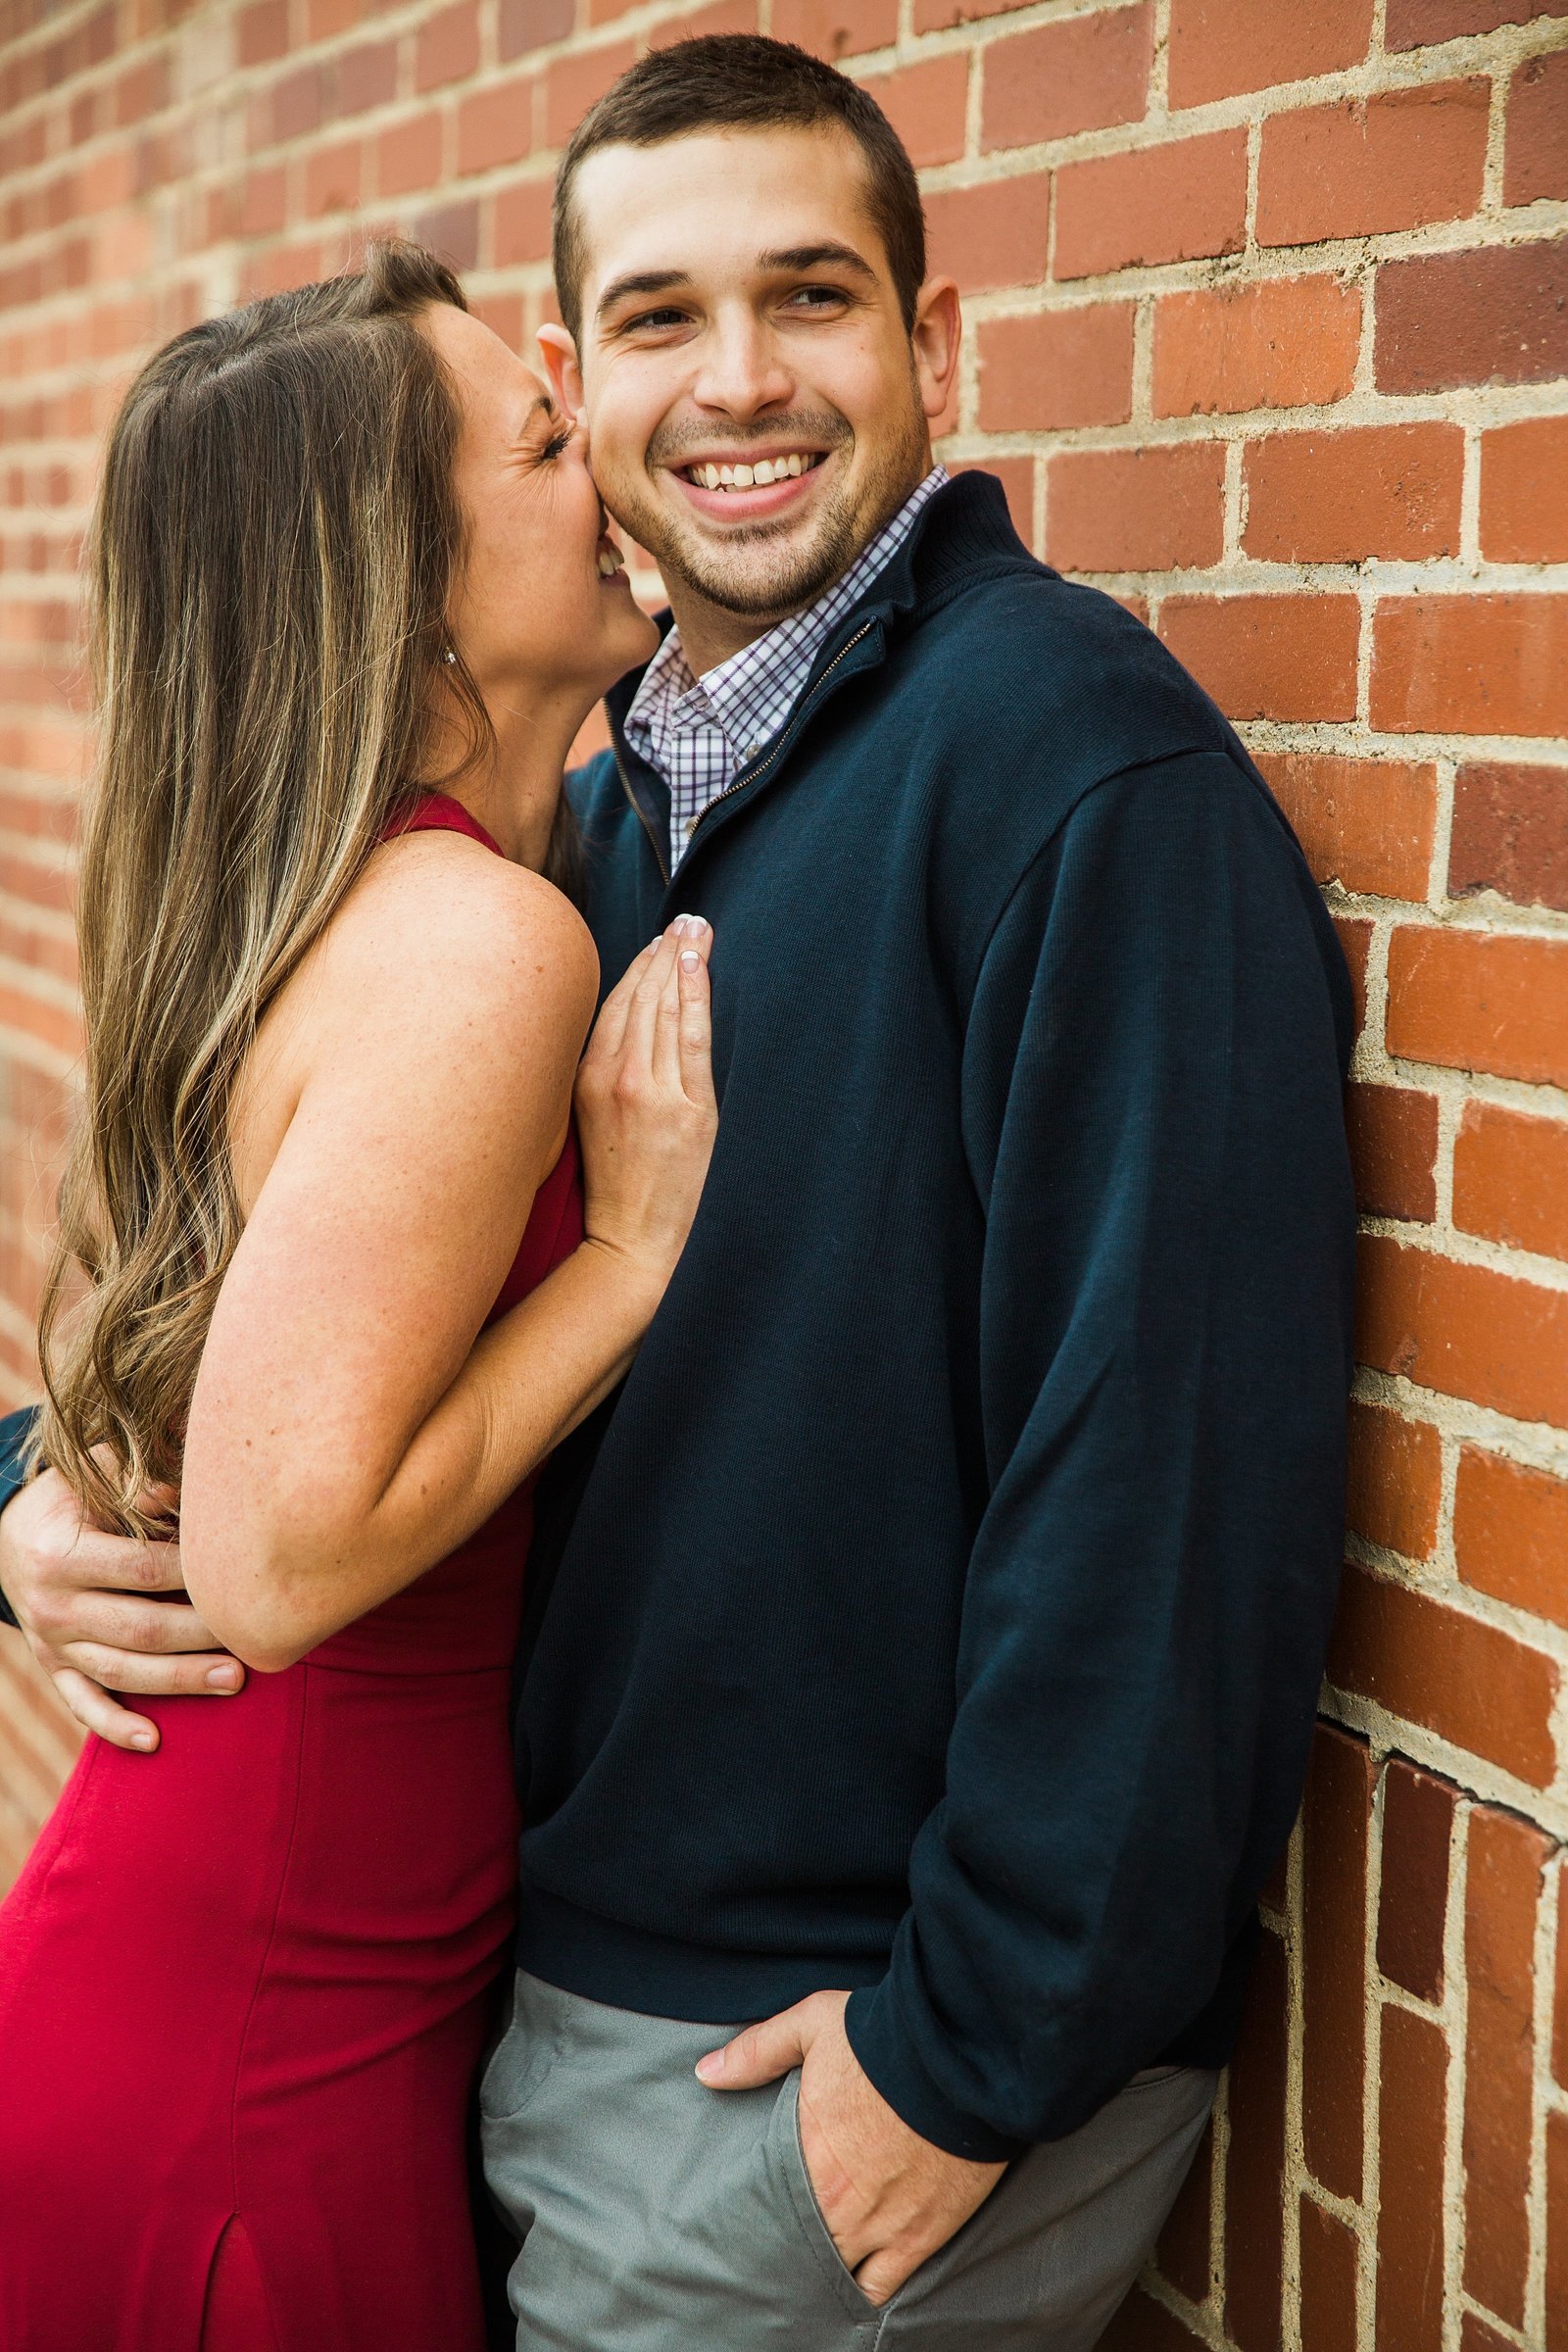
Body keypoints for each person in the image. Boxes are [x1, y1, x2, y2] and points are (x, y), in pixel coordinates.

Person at [0, 37, 1358, 2352]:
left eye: (811, 299)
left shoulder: (1071, 773)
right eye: (649, 325)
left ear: (932, 346)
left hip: (808, 2058)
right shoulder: (602, 819)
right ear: (573, 382)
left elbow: (1163, 1458)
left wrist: (966, 2049)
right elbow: (310, 1283)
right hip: (540, 2002)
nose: (738, 383)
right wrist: (38, 1494)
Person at [0, 242, 717, 2351]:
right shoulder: (478, 949)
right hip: (259, 2043)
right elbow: (281, 1549)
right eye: (538, 434)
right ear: (404, 594)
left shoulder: (352, 901)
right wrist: (625, 1262)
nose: (602, 451)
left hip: (246, 1977)